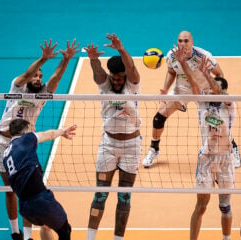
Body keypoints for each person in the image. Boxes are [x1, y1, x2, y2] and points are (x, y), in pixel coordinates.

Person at [0, 39, 80, 240]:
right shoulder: (16, 89)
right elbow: (25, 75)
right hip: (3, 142)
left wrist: (66, 60)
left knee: (26, 191)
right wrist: (43, 59)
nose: (38, 78)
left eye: (40, 76)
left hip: (25, 145)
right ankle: (15, 232)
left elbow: (56, 78)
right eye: (36, 74)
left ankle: (26, 236)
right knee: (9, 190)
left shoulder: (42, 95)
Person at [142, 30, 241, 168]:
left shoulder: (203, 56)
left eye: (186, 41)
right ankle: (154, 149)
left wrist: (217, 92)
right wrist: (165, 89)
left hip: (204, 92)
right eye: (180, 41)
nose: (183, 44)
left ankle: (232, 148)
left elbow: (220, 74)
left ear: (192, 42)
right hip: (182, 90)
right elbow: (171, 71)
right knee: (159, 117)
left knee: (216, 125)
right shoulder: (172, 55)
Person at [173, 45, 236, 240]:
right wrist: (183, 63)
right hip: (207, 159)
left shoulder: (230, 104)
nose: (212, 91)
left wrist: (207, 74)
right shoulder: (203, 104)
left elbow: (217, 90)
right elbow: (193, 84)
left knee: (225, 207)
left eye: (216, 89)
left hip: (225, 159)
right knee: (201, 206)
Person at [84, 33, 141, 240]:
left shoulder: (132, 85)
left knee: (124, 197)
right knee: (100, 195)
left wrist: (121, 49)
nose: (116, 81)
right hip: (108, 145)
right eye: (113, 78)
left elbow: (133, 69)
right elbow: (98, 74)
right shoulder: (105, 84)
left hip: (131, 146)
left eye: (120, 78)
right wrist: (93, 60)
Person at [3, 118, 77, 240]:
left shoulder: (6, 153)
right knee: (65, 230)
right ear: (25, 130)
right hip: (40, 200)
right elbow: (49, 135)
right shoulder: (26, 138)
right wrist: (63, 131)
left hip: (24, 207)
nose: (34, 130)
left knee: (46, 226)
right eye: (31, 128)